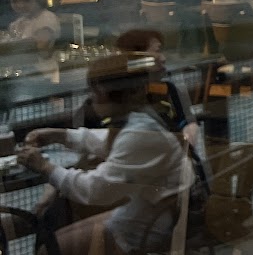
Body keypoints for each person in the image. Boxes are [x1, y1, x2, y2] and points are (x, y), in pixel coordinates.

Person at [18, 53, 191, 255]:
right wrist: (61, 135)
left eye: (95, 90)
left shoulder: (140, 134)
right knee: (57, 237)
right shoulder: (140, 119)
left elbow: (95, 190)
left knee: (49, 249)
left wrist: (45, 167)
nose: (92, 97)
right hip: (143, 214)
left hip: (145, 228)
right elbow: (108, 139)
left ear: (108, 92)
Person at [8, 0, 60, 79]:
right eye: (14, 1)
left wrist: (9, 47)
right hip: (22, 72)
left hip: (42, 73)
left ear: (39, 0)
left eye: (26, 0)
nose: (20, 5)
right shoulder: (18, 23)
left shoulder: (46, 18)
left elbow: (41, 47)